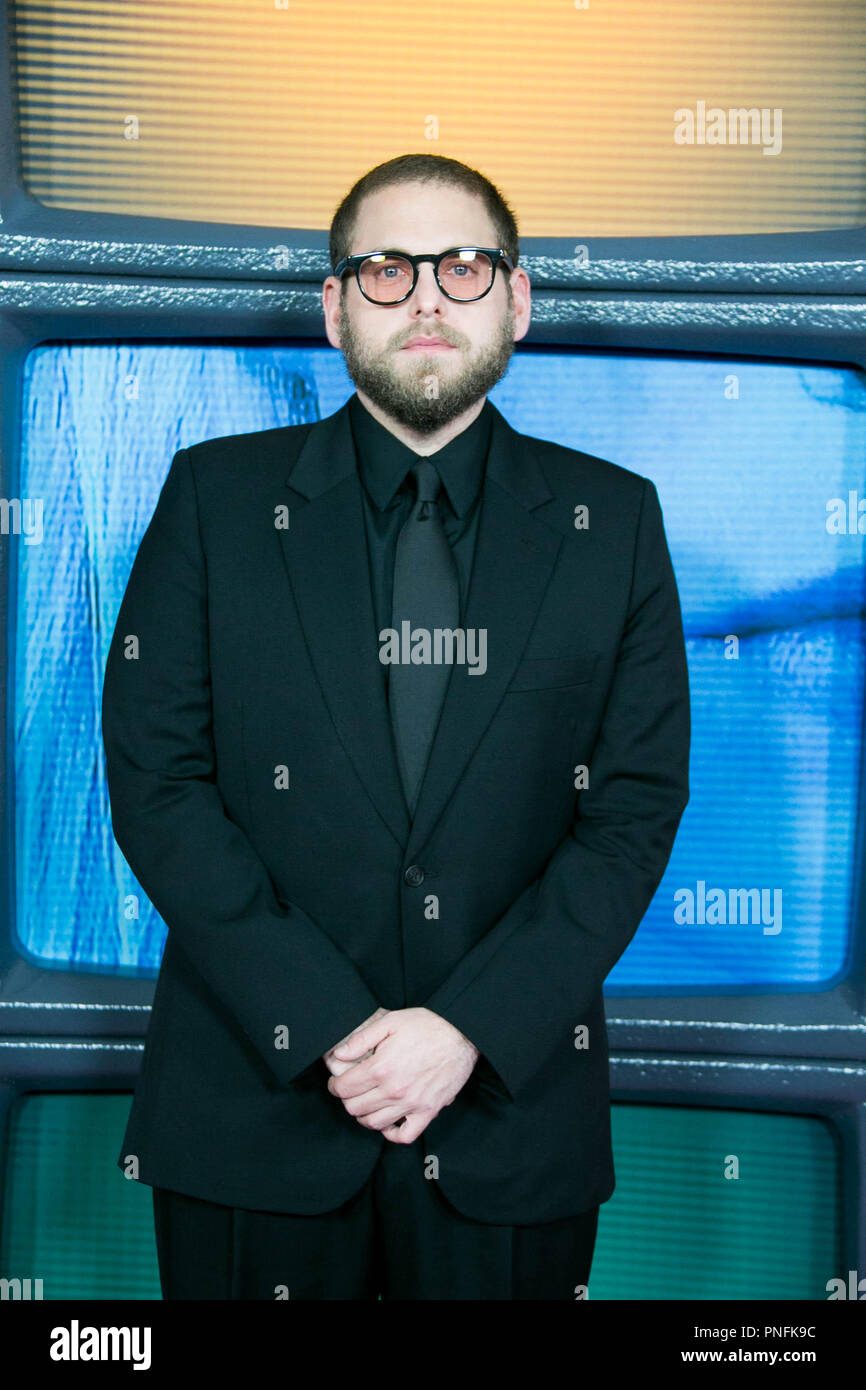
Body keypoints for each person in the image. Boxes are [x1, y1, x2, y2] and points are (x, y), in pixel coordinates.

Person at [101, 152, 690, 1300]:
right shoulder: (213, 501)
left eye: (462, 265)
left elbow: (631, 813)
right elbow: (155, 781)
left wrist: (466, 1028)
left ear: (515, 298)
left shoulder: (611, 521)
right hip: (249, 1118)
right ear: (334, 307)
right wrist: (330, 1025)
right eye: (385, 269)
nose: (425, 296)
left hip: (507, 1128)